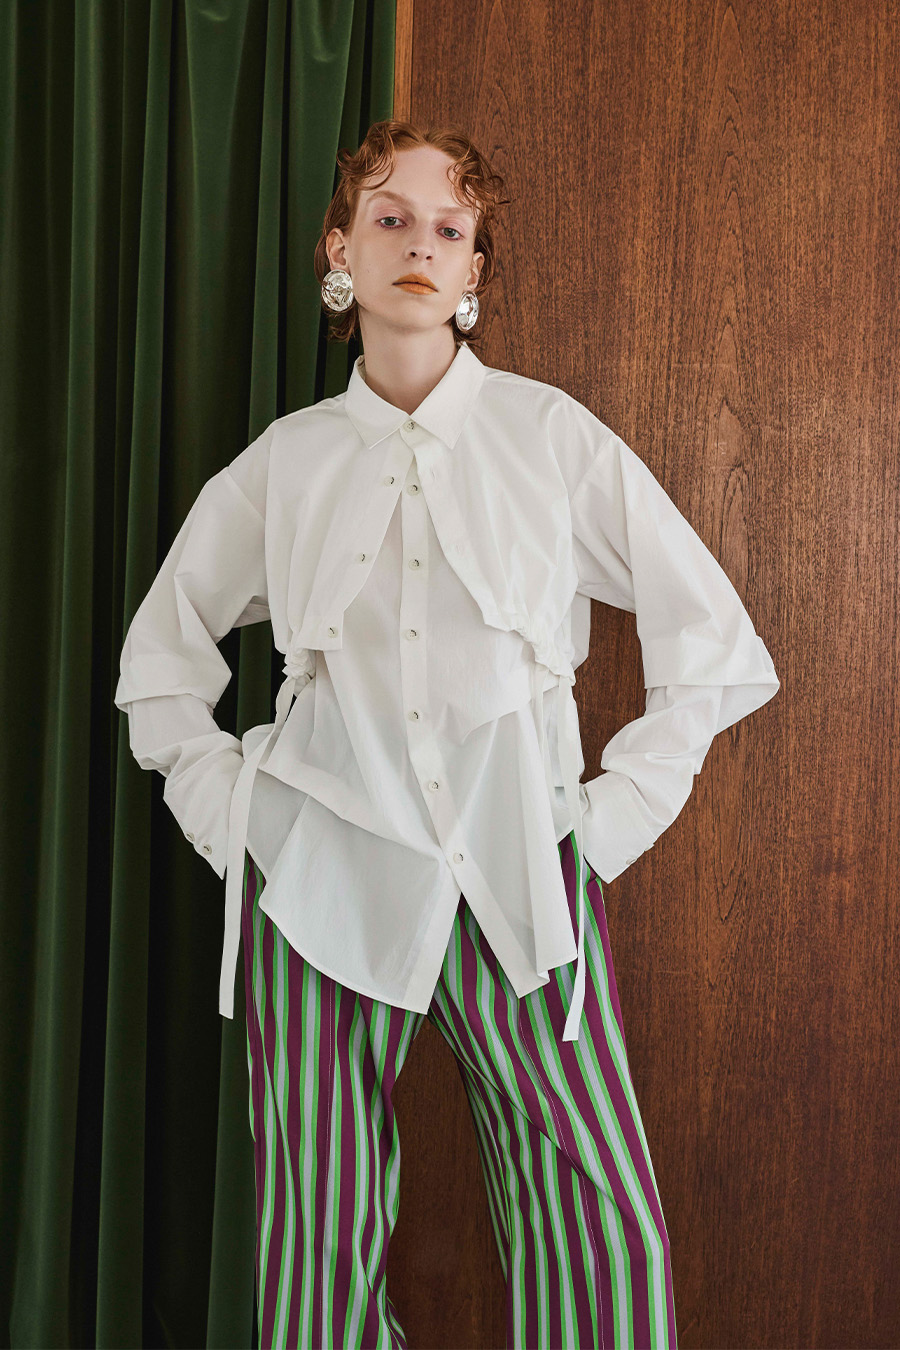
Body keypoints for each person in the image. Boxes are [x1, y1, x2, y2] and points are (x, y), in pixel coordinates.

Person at [114, 119, 780, 1349]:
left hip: (522, 878)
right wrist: (241, 822)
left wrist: (603, 824)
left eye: (448, 226)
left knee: (604, 1230)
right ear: (339, 250)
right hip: (316, 884)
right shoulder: (286, 465)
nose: (418, 243)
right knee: (318, 1250)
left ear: (475, 269)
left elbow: (717, 642)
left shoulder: (550, 439)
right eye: (390, 217)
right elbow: (157, 668)